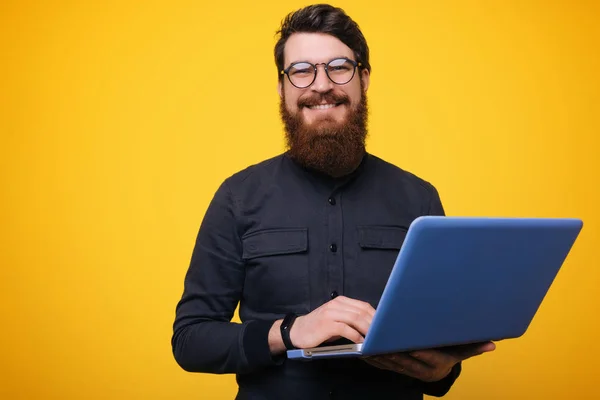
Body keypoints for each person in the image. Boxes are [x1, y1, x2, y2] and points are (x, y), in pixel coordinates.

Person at [172, 4, 495, 399]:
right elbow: (190, 339)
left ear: (363, 78)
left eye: (338, 67)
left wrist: (441, 373)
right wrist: (289, 332)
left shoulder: (419, 197)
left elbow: (439, 342)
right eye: (302, 70)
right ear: (282, 86)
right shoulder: (237, 196)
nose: (321, 85)